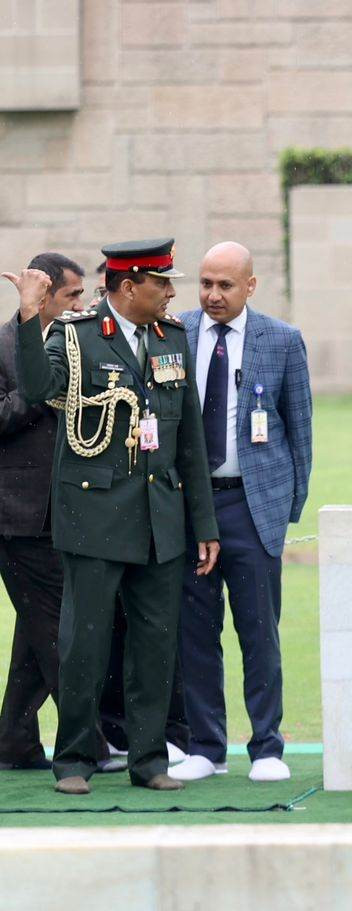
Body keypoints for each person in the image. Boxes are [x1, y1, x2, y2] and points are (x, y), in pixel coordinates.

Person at [7, 239, 219, 794]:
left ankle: (148, 760)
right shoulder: (76, 337)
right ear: (129, 287)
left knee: (155, 644)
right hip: (94, 514)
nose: (173, 293)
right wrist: (31, 315)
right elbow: (37, 388)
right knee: (85, 644)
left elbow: (188, 436)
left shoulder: (171, 337)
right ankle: (73, 759)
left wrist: (205, 525)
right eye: (162, 283)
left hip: (160, 518)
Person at [170, 243, 312, 783]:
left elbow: (299, 430)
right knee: (195, 629)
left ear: (250, 286)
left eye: (225, 285)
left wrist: (285, 508)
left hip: (253, 506)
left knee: (258, 630)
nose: (212, 295)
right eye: (205, 283)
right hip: (189, 505)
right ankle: (206, 747)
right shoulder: (174, 333)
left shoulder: (282, 339)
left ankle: (267, 747)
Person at [0, 253, 85, 770]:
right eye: (72, 296)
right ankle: (91, 740)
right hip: (15, 517)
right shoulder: (3, 343)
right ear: (45, 296)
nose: (82, 304)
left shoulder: (79, 345)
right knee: (55, 631)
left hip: (70, 513)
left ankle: (14, 740)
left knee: (37, 629)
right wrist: (40, 394)